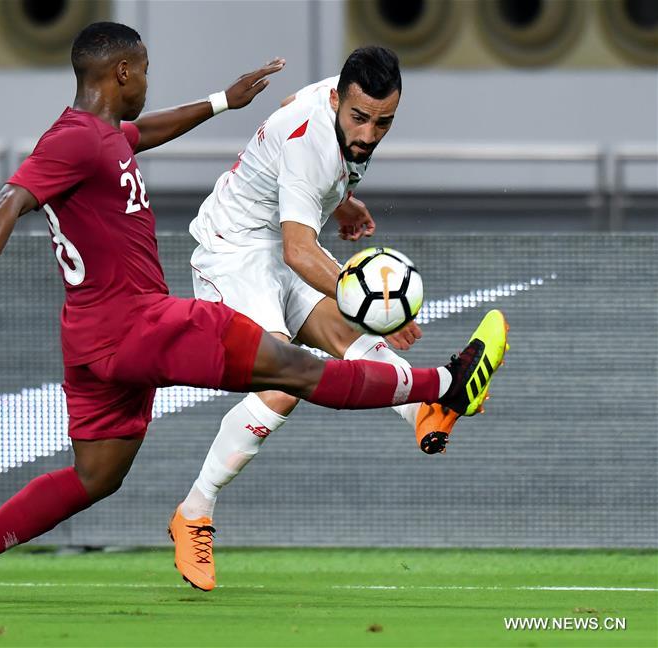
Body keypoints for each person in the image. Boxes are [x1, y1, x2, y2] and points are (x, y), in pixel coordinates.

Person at [0, 23, 508, 613]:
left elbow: (142, 132)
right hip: (143, 323)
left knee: (97, 477)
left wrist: (223, 100)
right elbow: (9, 198)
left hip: (93, 338)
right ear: (122, 72)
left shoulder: (102, 135)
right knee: (295, 373)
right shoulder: (72, 142)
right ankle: (445, 383)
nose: (148, 81)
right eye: (144, 69)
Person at [168, 48, 480, 591]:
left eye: (384, 122)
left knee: (344, 336)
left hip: (277, 243)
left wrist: (340, 202)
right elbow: (297, 250)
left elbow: (294, 107)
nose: (369, 132)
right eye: (359, 118)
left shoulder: (339, 101)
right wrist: (372, 305)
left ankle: (423, 412)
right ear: (337, 99)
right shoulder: (313, 140)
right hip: (234, 252)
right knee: (284, 381)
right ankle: (194, 511)